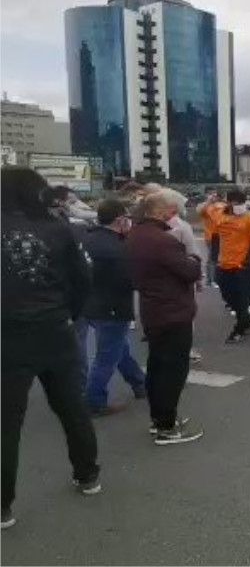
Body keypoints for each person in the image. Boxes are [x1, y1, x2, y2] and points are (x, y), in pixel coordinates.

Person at [2, 169, 102, 530]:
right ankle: (88, 475)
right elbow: (83, 280)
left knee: (6, 423)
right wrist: (66, 314)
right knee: (72, 406)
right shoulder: (58, 228)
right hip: (55, 329)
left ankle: (3, 506)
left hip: (7, 336)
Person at [127, 192, 204, 444]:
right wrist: (194, 259)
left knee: (157, 367)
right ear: (160, 212)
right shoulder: (163, 241)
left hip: (153, 310)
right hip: (173, 312)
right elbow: (190, 271)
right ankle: (166, 426)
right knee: (172, 371)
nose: (174, 215)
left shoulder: (135, 235)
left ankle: (158, 418)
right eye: (172, 211)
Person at [76, 199, 146, 416]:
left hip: (90, 304)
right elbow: (131, 281)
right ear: (119, 220)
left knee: (119, 349)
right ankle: (94, 400)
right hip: (112, 307)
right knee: (107, 356)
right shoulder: (117, 248)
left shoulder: (86, 239)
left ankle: (139, 383)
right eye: (127, 218)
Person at [202, 190, 250, 343]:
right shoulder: (219, 214)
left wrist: (247, 262)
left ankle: (238, 330)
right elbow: (215, 236)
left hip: (242, 265)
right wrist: (214, 258)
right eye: (236, 204)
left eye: (241, 204)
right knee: (228, 297)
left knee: (242, 299)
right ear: (229, 202)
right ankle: (246, 318)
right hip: (223, 264)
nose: (239, 207)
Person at [159, 187, 204, 362]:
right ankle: (186, 349)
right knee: (185, 315)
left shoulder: (145, 225)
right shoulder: (181, 227)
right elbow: (193, 254)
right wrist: (199, 278)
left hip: (158, 278)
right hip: (180, 277)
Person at [197, 188, 225, 288]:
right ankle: (211, 280)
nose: (213, 196)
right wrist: (208, 201)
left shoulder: (222, 205)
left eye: (214, 194)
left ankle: (215, 279)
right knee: (212, 258)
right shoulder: (205, 206)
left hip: (221, 235)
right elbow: (200, 211)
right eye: (210, 194)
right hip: (211, 235)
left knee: (218, 258)